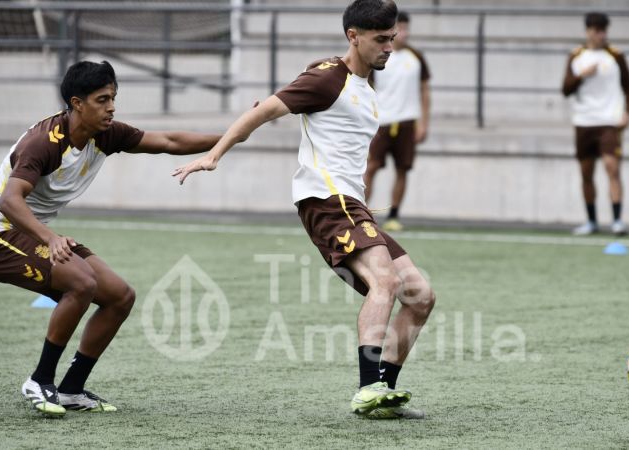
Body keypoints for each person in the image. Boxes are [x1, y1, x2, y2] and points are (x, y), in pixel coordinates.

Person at [173, 0, 435, 419]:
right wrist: (214, 155)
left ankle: (383, 394)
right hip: (328, 201)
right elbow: (264, 111)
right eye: (381, 40)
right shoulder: (328, 78)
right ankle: (368, 388)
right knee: (384, 282)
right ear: (354, 36)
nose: (390, 47)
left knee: (420, 296)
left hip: (351, 204)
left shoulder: (361, 83)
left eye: (393, 37)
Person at [0, 61, 223, 417]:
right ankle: (39, 380)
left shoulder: (104, 134)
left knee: (120, 296)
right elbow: (9, 202)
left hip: (37, 234)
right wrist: (51, 238)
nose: (112, 107)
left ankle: (71, 389)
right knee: (82, 282)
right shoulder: (44, 143)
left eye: (113, 98)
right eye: (103, 100)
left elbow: (169, 141)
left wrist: (232, 135)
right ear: (77, 103)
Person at [562, 12, 629, 236]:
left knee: (612, 167)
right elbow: (565, 89)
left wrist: (627, 113)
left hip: (609, 122)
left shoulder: (616, 56)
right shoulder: (576, 56)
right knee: (586, 172)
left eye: (604, 30)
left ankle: (617, 221)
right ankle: (591, 221)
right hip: (584, 121)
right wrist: (582, 75)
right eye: (597, 31)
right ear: (588, 32)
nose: (601, 35)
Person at [363, 10, 431, 232]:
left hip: (407, 122)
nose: (404, 33)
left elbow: (424, 91)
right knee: (371, 167)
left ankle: (393, 215)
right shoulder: (380, 55)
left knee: (402, 169)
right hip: (381, 122)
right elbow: (367, 86)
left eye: (406, 28)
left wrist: (424, 123)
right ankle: (361, 214)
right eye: (399, 28)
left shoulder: (416, 58)